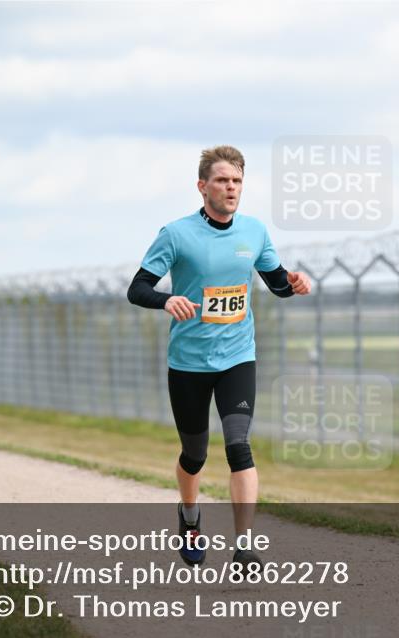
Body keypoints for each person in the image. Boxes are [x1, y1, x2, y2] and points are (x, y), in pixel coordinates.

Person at [127, 145, 312, 571]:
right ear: (202, 186)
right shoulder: (176, 234)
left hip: (237, 357)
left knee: (238, 445)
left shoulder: (254, 232)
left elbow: (276, 282)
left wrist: (294, 284)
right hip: (188, 363)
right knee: (195, 454)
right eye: (223, 181)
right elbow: (138, 288)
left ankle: (244, 546)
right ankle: (189, 517)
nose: (231, 189)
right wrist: (167, 300)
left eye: (237, 182)